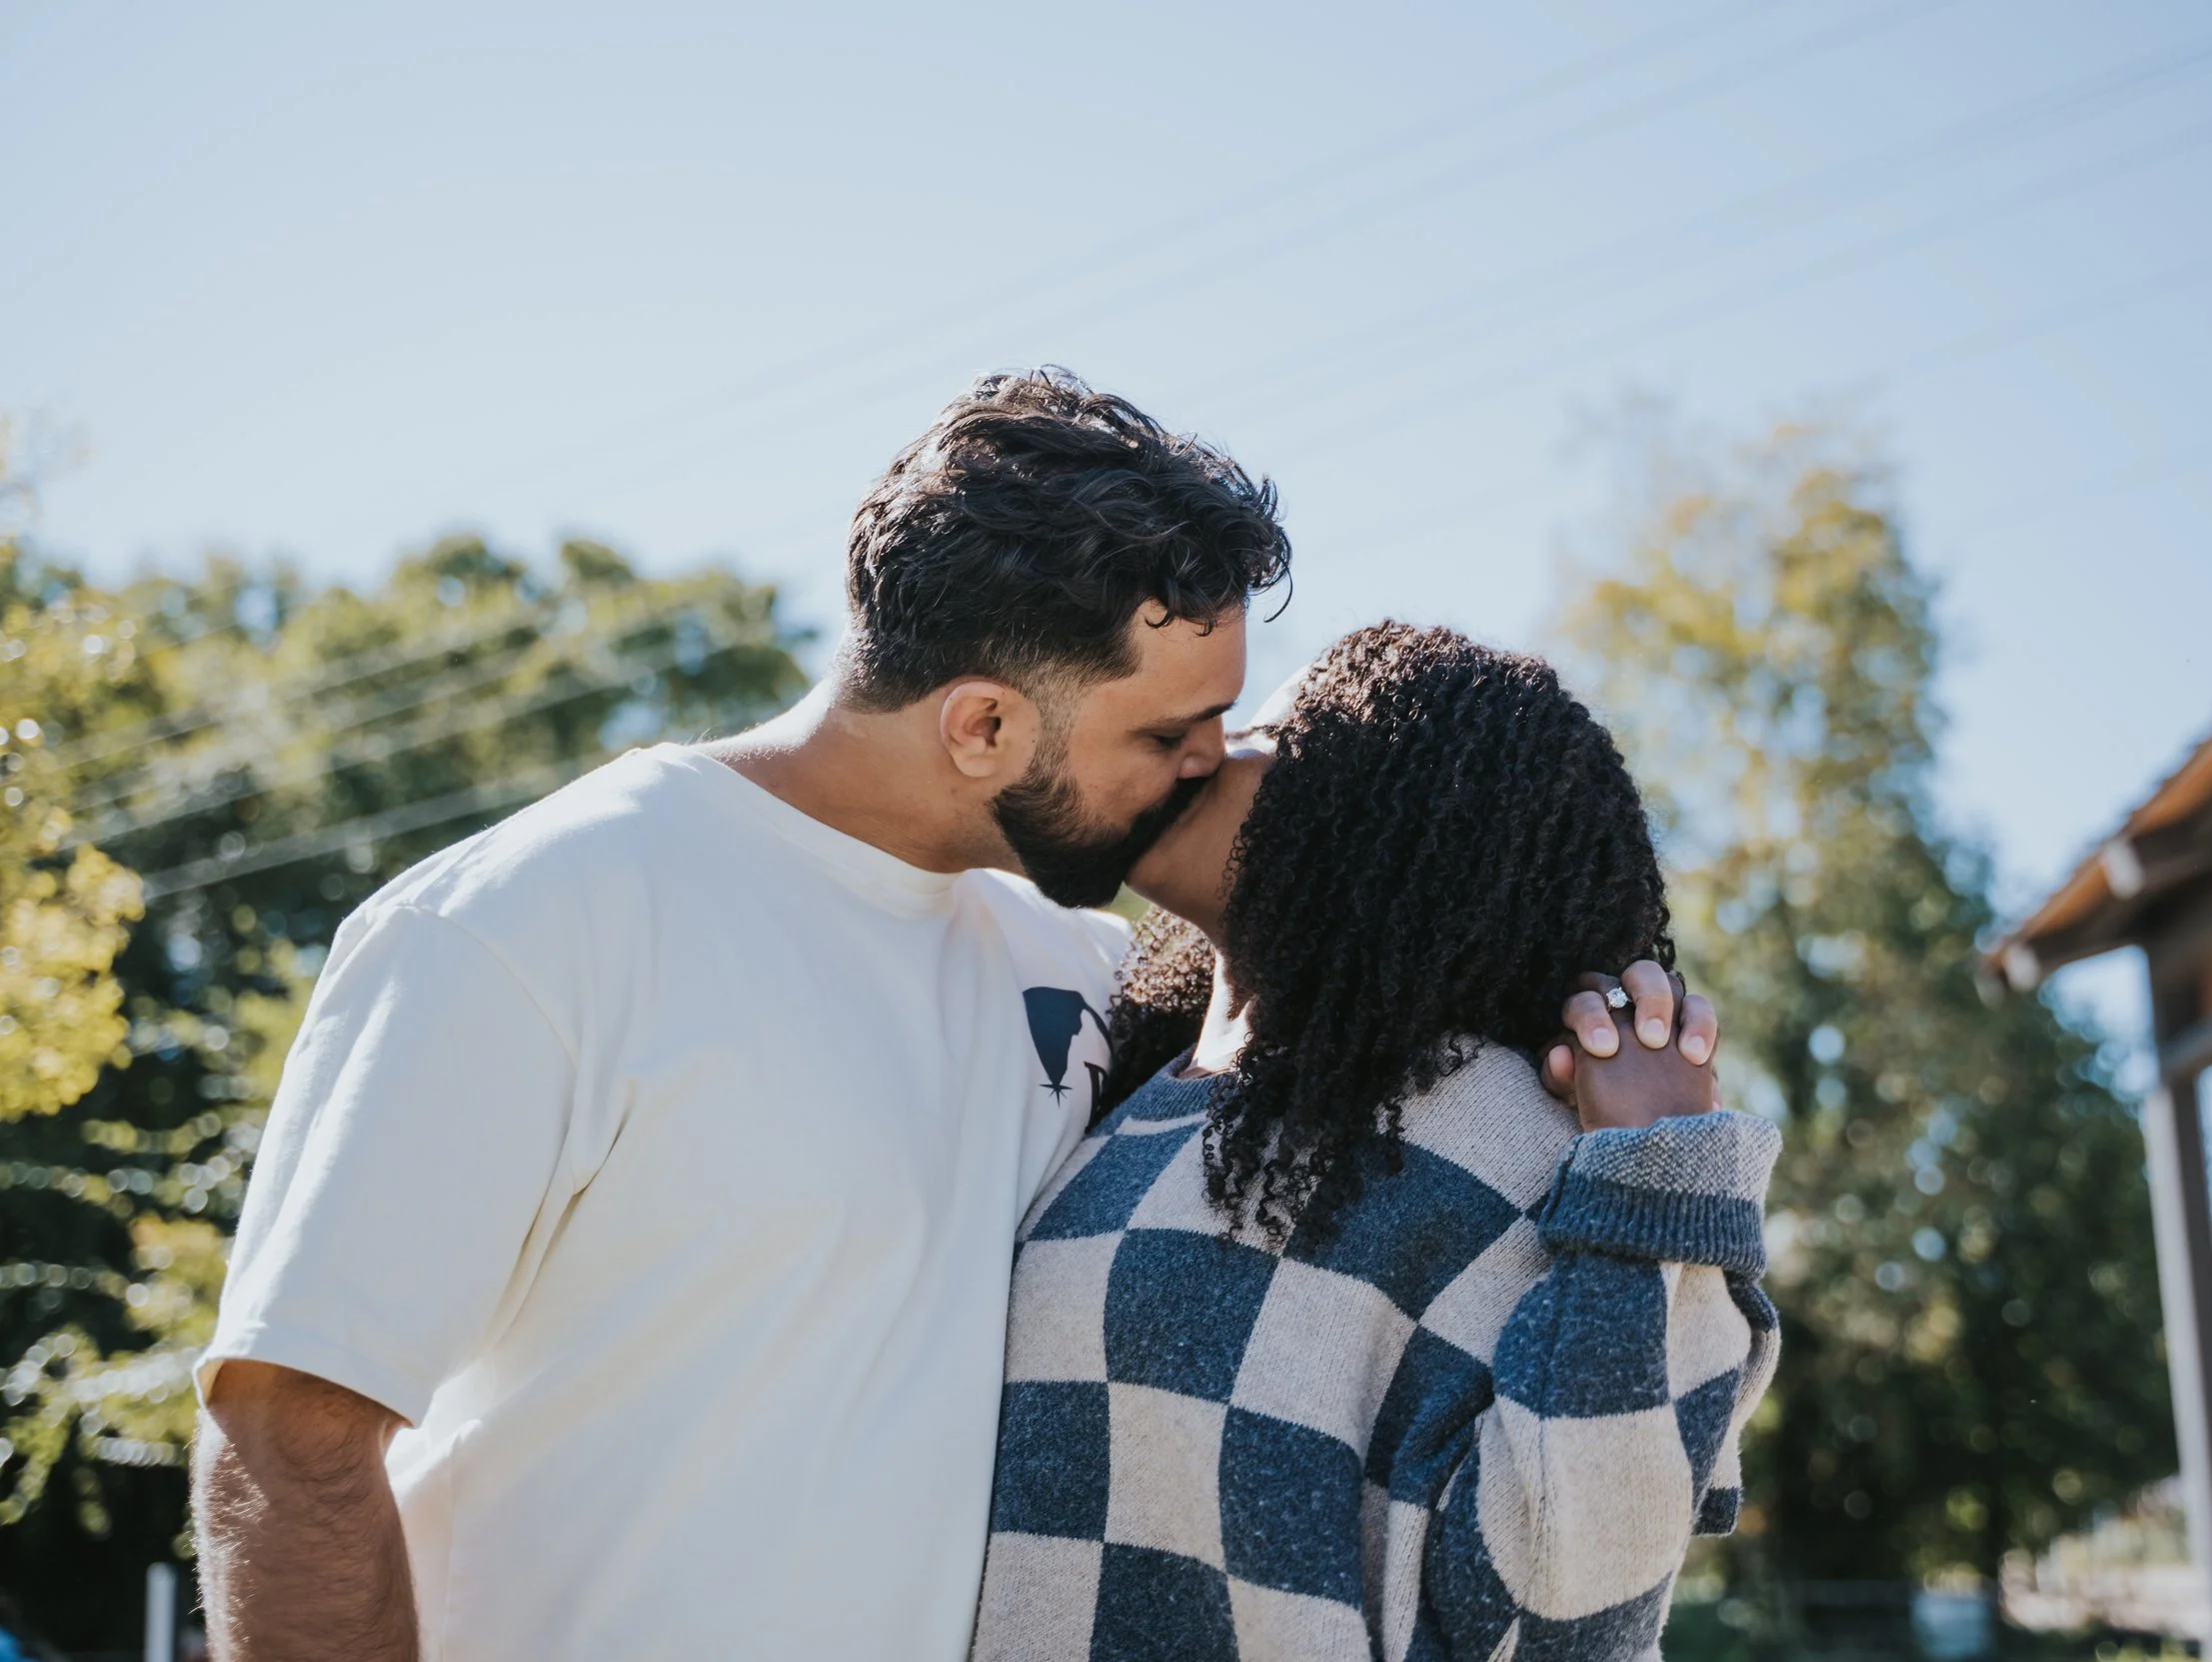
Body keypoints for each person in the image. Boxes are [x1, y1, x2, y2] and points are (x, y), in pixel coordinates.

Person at [189, 372, 1706, 1661]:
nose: (1213, 764)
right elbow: (290, 1434)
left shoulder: (1088, 977)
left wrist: (1632, 1129)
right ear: (983, 723)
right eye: (1172, 734)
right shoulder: (540, 918)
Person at [974, 622, 1781, 1662]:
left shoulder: (1509, 1137)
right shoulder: (1112, 1083)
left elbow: (1568, 1624)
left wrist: (1660, 1167)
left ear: (1396, 818)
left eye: (1274, 738)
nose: (1209, 751)